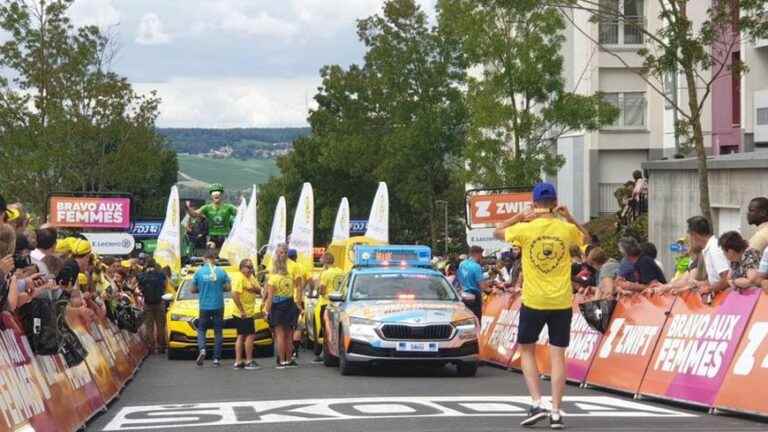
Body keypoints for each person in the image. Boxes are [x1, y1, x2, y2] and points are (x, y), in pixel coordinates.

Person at [493, 182, 589, 429]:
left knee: (527, 350)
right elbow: (587, 239)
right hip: (561, 301)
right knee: (558, 355)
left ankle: (537, 402)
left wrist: (519, 216)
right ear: (555, 203)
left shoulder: (525, 229)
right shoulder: (566, 229)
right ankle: (556, 411)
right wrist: (571, 218)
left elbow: (497, 231)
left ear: (534, 203)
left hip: (533, 300)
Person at [191, 249, 231, 367]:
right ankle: (216, 359)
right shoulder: (221, 271)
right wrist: (219, 288)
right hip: (218, 305)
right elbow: (228, 287)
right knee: (218, 332)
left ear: (204, 258)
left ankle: (202, 349)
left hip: (204, 306)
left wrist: (202, 289)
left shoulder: (199, 272)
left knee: (202, 329)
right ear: (215, 258)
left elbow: (192, 290)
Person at [266, 244, 300, 369]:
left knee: (279, 335)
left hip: (277, 305)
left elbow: (269, 298)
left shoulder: (273, 279)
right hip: (290, 304)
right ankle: (289, 359)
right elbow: (298, 287)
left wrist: (266, 311)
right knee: (289, 334)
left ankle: (282, 360)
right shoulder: (290, 277)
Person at [686, 216, 731, 298]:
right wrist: (701, 284)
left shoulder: (714, 248)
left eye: (690, 236)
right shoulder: (708, 248)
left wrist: (709, 289)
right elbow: (715, 280)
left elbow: (726, 279)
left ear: (694, 235)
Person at [313, 252, 345, 362]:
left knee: (325, 330)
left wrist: (318, 290)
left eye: (321, 258)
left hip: (326, 303)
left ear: (326, 260)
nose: (320, 260)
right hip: (340, 304)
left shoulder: (326, 273)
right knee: (335, 329)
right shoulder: (341, 271)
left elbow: (322, 290)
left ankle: (324, 353)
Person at [186, 184, 237, 249]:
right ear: (211, 196)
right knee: (211, 253)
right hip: (212, 237)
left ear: (222, 195)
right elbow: (194, 214)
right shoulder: (206, 207)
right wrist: (187, 208)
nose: (216, 194)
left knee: (225, 257)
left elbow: (241, 213)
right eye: (213, 193)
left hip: (225, 236)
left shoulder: (229, 207)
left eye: (218, 193)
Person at [232, 258, 262, 370]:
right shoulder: (239, 278)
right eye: (248, 267)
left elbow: (259, 290)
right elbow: (234, 294)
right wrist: (242, 310)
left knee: (242, 335)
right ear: (242, 268)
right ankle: (248, 361)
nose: (250, 269)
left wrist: (251, 289)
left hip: (249, 311)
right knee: (250, 335)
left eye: (251, 267)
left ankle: (239, 361)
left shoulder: (251, 277)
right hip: (242, 312)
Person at [138, 258, 168, 354]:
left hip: (147, 304)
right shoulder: (160, 274)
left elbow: (140, 285)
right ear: (155, 265)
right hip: (159, 303)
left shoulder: (143, 276)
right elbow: (164, 285)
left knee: (149, 327)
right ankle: (161, 346)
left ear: (147, 265)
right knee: (161, 326)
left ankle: (151, 347)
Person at [457, 246, 491, 320]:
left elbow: (459, 278)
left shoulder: (462, 264)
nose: (481, 257)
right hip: (474, 296)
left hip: (463, 295)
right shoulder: (476, 266)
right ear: (477, 254)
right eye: (481, 254)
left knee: (465, 320)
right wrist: (490, 291)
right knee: (476, 320)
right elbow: (482, 285)